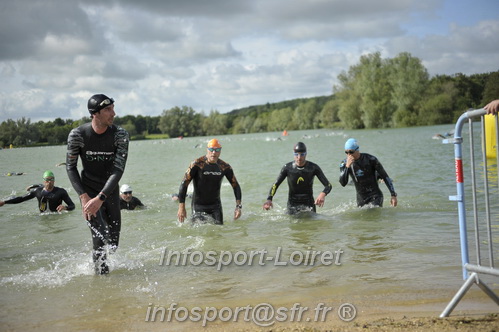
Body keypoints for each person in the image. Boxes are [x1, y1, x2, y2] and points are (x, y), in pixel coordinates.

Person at [66, 94, 129, 275]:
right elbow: (71, 167)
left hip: (109, 189)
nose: (113, 113)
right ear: (95, 114)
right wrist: (84, 197)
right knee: (99, 237)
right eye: (108, 110)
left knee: (114, 241)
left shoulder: (120, 135)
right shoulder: (77, 135)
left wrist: (101, 197)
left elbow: (118, 170)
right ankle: (102, 278)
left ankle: (106, 285)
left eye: (113, 108)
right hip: (87, 191)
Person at [177, 138, 242, 225]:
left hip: (216, 207)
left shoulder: (224, 167)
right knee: (199, 233)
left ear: (220, 151)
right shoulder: (196, 164)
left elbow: (236, 186)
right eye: (211, 149)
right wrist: (181, 207)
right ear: (207, 149)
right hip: (198, 206)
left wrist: (238, 207)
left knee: (218, 233)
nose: (214, 152)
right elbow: (184, 184)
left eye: (217, 150)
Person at [263, 142, 332, 214]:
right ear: (293, 154)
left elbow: (328, 185)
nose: (299, 157)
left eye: (302, 154)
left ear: (306, 154)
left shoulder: (313, 168)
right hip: (292, 205)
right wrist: (269, 199)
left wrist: (323, 194)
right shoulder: (287, 168)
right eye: (296, 154)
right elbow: (275, 185)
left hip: (309, 204)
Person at [339, 138, 397, 207]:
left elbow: (385, 176)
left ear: (357, 150)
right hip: (361, 199)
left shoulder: (371, 159)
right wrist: (347, 167)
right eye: (346, 152)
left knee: (373, 212)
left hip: (375, 196)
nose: (349, 155)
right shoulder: (344, 163)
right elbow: (343, 183)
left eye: (351, 152)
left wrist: (393, 195)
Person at [0, 170, 75, 213]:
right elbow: (21, 198)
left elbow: (72, 206)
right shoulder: (37, 191)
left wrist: (65, 207)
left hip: (56, 217)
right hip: (42, 217)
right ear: (44, 181)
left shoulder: (61, 192)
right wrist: (5, 202)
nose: (49, 181)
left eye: (51, 179)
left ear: (54, 180)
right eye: (47, 179)